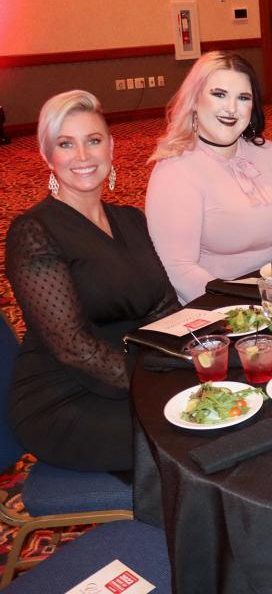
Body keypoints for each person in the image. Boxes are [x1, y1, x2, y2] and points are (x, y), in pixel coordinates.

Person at [5, 91, 180, 472]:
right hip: (64, 397)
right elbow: (73, 348)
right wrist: (158, 383)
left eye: (93, 141)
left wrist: (199, 353)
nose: (83, 157)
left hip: (133, 373)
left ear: (111, 147)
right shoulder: (34, 231)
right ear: (46, 155)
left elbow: (166, 307)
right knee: (184, 428)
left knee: (222, 405)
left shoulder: (131, 220)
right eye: (66, 144)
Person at [146, 51, 272, 303]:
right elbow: (178, 268)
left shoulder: (269, 153)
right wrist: (244, 307)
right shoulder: (175, 168)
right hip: (216, 307)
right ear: (195, 99)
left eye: (243, 98)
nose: (231, 109)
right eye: (219, 94)